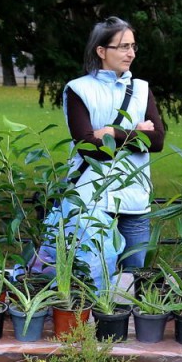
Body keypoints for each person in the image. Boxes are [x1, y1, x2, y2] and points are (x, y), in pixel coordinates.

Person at [61, 16, 165, 275]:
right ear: (101, 51)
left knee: (133, 279)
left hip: (135, 200)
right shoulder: (78, 90)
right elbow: (88, 148)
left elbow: (157, 141)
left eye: (133, 46)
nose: (131, 53)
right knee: (93, 279)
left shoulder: (141, 89)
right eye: (123, 47)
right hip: (91, 201)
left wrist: (112, 132)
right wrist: (136, 135)